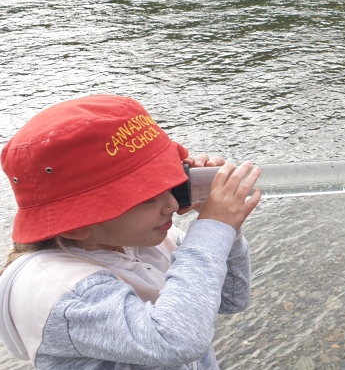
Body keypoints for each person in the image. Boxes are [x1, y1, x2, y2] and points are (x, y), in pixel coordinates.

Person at [0, 94, 261, 369]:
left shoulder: (144, 239)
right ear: (77, 226)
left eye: (170, 184)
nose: (172, 204)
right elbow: (176, 339)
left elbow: (231, 298)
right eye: (147, 197)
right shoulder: (65, 295)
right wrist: (212, 228)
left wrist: (223, 226)